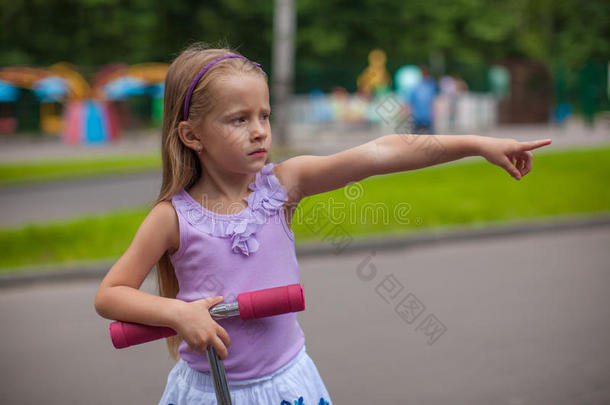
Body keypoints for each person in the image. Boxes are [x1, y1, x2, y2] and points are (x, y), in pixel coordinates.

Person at [94, 43, 552, 405]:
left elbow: (381, 152)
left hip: (287, 385)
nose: (259, 131)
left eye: (264, 116)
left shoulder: (282, 185)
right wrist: (177, 312)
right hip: (210, 392)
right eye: (238, 119)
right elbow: (110, 295)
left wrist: (476, 143)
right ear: (191, 135)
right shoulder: (172, 218)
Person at [409, 65, 438, 134]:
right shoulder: (416, 87)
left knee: (429, 136)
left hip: (427, 116)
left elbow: (433, 101)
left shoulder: (430, 85)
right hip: (418, 115)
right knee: (415, 136)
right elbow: (411, 102)